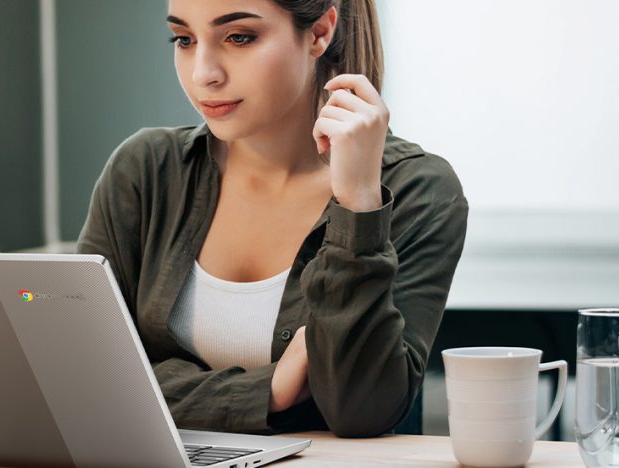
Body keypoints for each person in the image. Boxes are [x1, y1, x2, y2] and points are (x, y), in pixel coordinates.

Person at [75, 0, 468, 438]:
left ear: (320, 32)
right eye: (184, 39)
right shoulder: (147, 170)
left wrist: (358, 204)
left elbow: (362, 410)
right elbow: (80, 379)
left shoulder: (419, 188)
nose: (203, 73)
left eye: (238, 37)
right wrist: (269, 391)